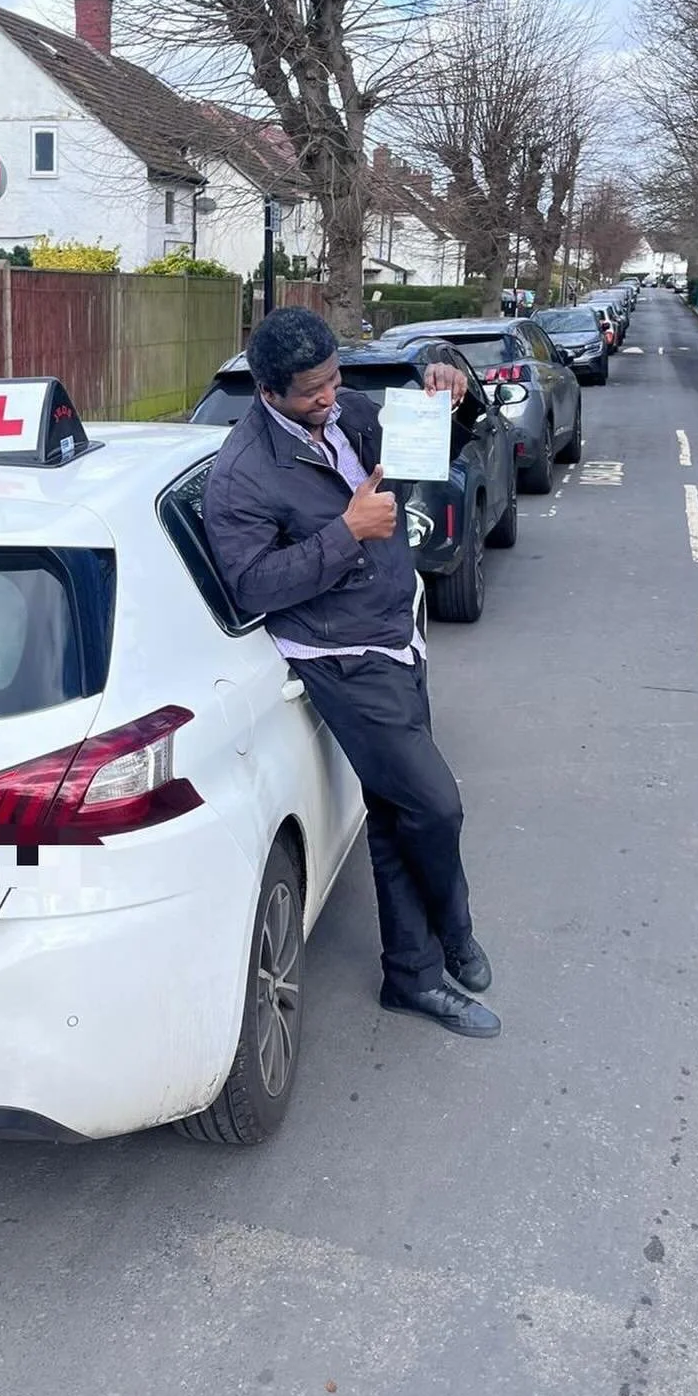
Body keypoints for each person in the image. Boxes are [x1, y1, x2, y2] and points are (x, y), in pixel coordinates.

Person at [202, 307, 500, 1038]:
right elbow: (253, 586)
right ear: (268, 390)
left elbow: (436, 447)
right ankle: (452, 932)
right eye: (312, 389)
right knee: (436, 805)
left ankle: (413, 975)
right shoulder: (241, 475)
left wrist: (452, 388)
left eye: (334, 378)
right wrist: (345, 534)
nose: (330, 395)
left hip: (394, 635)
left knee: (398, 814)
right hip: (340, 657)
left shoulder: (350, 413)